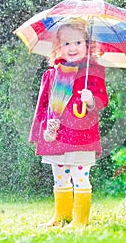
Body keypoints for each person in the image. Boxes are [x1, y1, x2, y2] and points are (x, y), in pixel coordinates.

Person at [29, 18, 108, 227]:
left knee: (80, 175)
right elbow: (43, 105)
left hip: (82, 136)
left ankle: (80, 219)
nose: (72, 48)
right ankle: (61, 216)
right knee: (60, 176)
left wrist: (91, 99)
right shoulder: (52, 74)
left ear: (88, 45)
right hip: (56, 135)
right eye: (66, 43)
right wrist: (38, 131)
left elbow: (102, 99)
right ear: (58, 47)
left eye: (78, 43)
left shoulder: (94, 72)